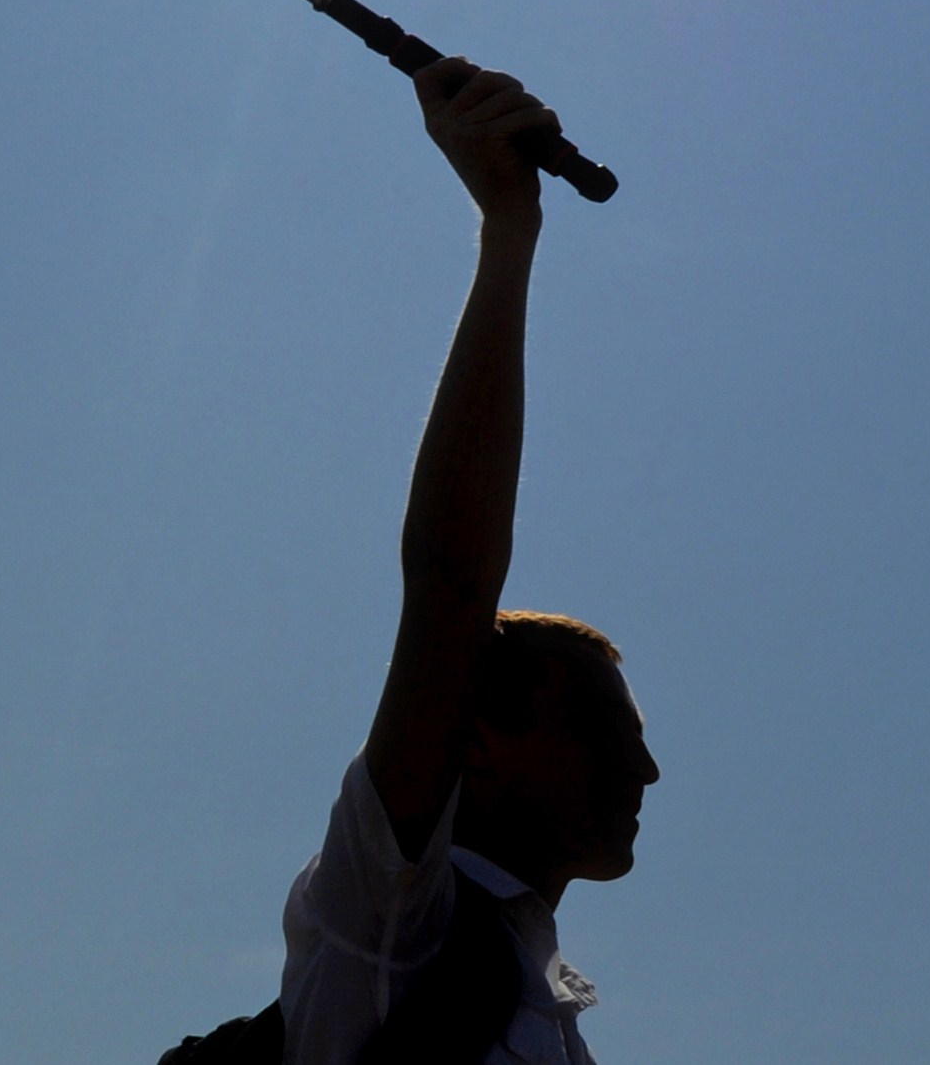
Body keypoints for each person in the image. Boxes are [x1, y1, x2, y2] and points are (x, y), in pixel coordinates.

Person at [160, 61, 660, 1065]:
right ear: (474, 735)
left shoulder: (541, 994)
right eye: (602, 728)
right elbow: (451, 588)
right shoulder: (391, 922)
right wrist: (509, 233)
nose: (643, 768)